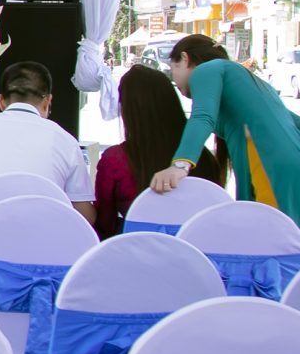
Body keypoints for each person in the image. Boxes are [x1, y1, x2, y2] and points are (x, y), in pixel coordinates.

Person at [151, 34, 300, 255]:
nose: (175, 81)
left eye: (174, 69)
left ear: (185, 58)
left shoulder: (206, 71)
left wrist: (180, 166)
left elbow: (203, 117)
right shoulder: (255, 86)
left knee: (279, 259)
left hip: (278, 174)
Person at [93, 63, 226, 238]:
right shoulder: (202, 158)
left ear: (127, 109)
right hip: (197, 250)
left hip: (138, 249)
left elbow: (105, 224)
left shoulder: (115, 160)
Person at [0, 58, 94, 217]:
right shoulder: (64, 139)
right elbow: (84, 214)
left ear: (1, 101)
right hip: (42, 232)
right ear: (47, 102)